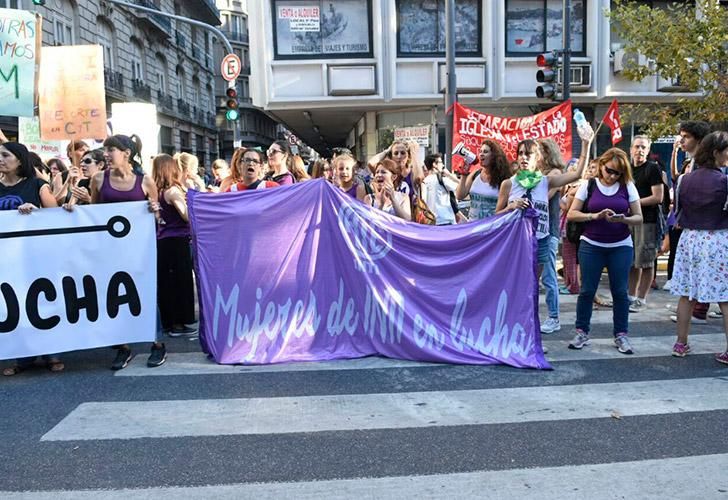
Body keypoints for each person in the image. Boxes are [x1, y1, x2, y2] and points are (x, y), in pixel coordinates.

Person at [495, 135, 592, 335]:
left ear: (537, 158)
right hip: (516, 244)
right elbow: (496, 215)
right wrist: (511, 207)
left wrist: (586, 143)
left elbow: (577, 174)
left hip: (541, 240)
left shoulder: (546, 181)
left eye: (528, 154)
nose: (523, 157)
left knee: (531, 288)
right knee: (517, 288)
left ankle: (529, 334)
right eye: (520, 153)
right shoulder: (509, 184)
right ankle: (510, 329)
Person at [88, 134, 167, 370]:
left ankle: (157, 343)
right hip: (110, 250)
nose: (106, 154)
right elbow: (93, 214)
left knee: (145, 294)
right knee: (114, 295)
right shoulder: (99, 179)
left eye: (111, 150)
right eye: (105, 150)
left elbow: (157, 218)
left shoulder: (145, 181)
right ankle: (122, 347)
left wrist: (155, 210)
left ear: (126, 154)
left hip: (138, 252)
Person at [566, 148, 644, 354]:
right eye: (609, 170)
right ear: (601, 165)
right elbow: (572, 213)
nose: (612, 176)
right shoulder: (588, 185)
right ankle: (582, 331)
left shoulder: (627, 186)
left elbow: (639, 217)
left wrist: (623, 219)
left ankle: (621, 334)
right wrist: (594, 216)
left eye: (617, 173)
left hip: (620, 244)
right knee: (587, 291)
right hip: (591, 244)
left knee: (620, 292)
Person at [0, 142, 62, 376]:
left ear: (19, 160)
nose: (1, 159)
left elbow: (56, 216)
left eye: (6, 155)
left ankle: (52, 352)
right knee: (13, 304)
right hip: (6, 259)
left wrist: (36, 210)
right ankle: (21, 355)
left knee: (43, 302)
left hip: (36, 255)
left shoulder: (37, 185)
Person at [669, 131, 728, 363]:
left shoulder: (684, 179)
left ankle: (680, 343)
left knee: (687, 294)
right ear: (716, 153)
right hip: (718, 239)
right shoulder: (725, 182)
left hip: (690, 239)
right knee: (725, 297)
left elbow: (678, 212)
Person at [667, 121, 713, 323]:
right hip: (692, 225)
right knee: (693, 270)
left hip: (708, 228)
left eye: (686, 136)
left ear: (699, 140)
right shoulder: (692, 161)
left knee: (706, 271)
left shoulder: (708, 164)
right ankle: (695, 307)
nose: (681, 140)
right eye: (681, 136)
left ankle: (700, 308)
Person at [153, 154, 197, 336]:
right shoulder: (173, 191)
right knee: (181, 282)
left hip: (163, 240)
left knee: (167, 283)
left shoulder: (158, 191)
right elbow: (186, 215)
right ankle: (180, 323)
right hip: (178, 240)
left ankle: (170, 322)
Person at [627, 135, 663, 313]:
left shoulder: (653, 169)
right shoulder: (626, 169)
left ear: (648, 151)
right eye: (637, 147)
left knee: (646, 262)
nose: (639, 150)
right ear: (631, 149)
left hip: (647, 222)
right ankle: (630, 296)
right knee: (632, 262)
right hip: (627, 221)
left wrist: (633, 203)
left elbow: (658, 197)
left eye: (643, 147)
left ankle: (641, 299)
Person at [455, 140, 511, 220]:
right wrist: (464, 175)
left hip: (491, 227)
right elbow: (460, 196)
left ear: (494, 156)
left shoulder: (503, 179)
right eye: (480, 151)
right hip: (473, 226)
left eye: (485, 152)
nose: (481, 154)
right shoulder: (475, 174)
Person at [422, 153, 460, 225]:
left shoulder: (424, 181)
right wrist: (449, 175)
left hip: (430, 221)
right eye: (441, 162)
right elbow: (462, 188)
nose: (442, 165)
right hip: (445, 220)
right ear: (434, 164)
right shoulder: (442, 180)